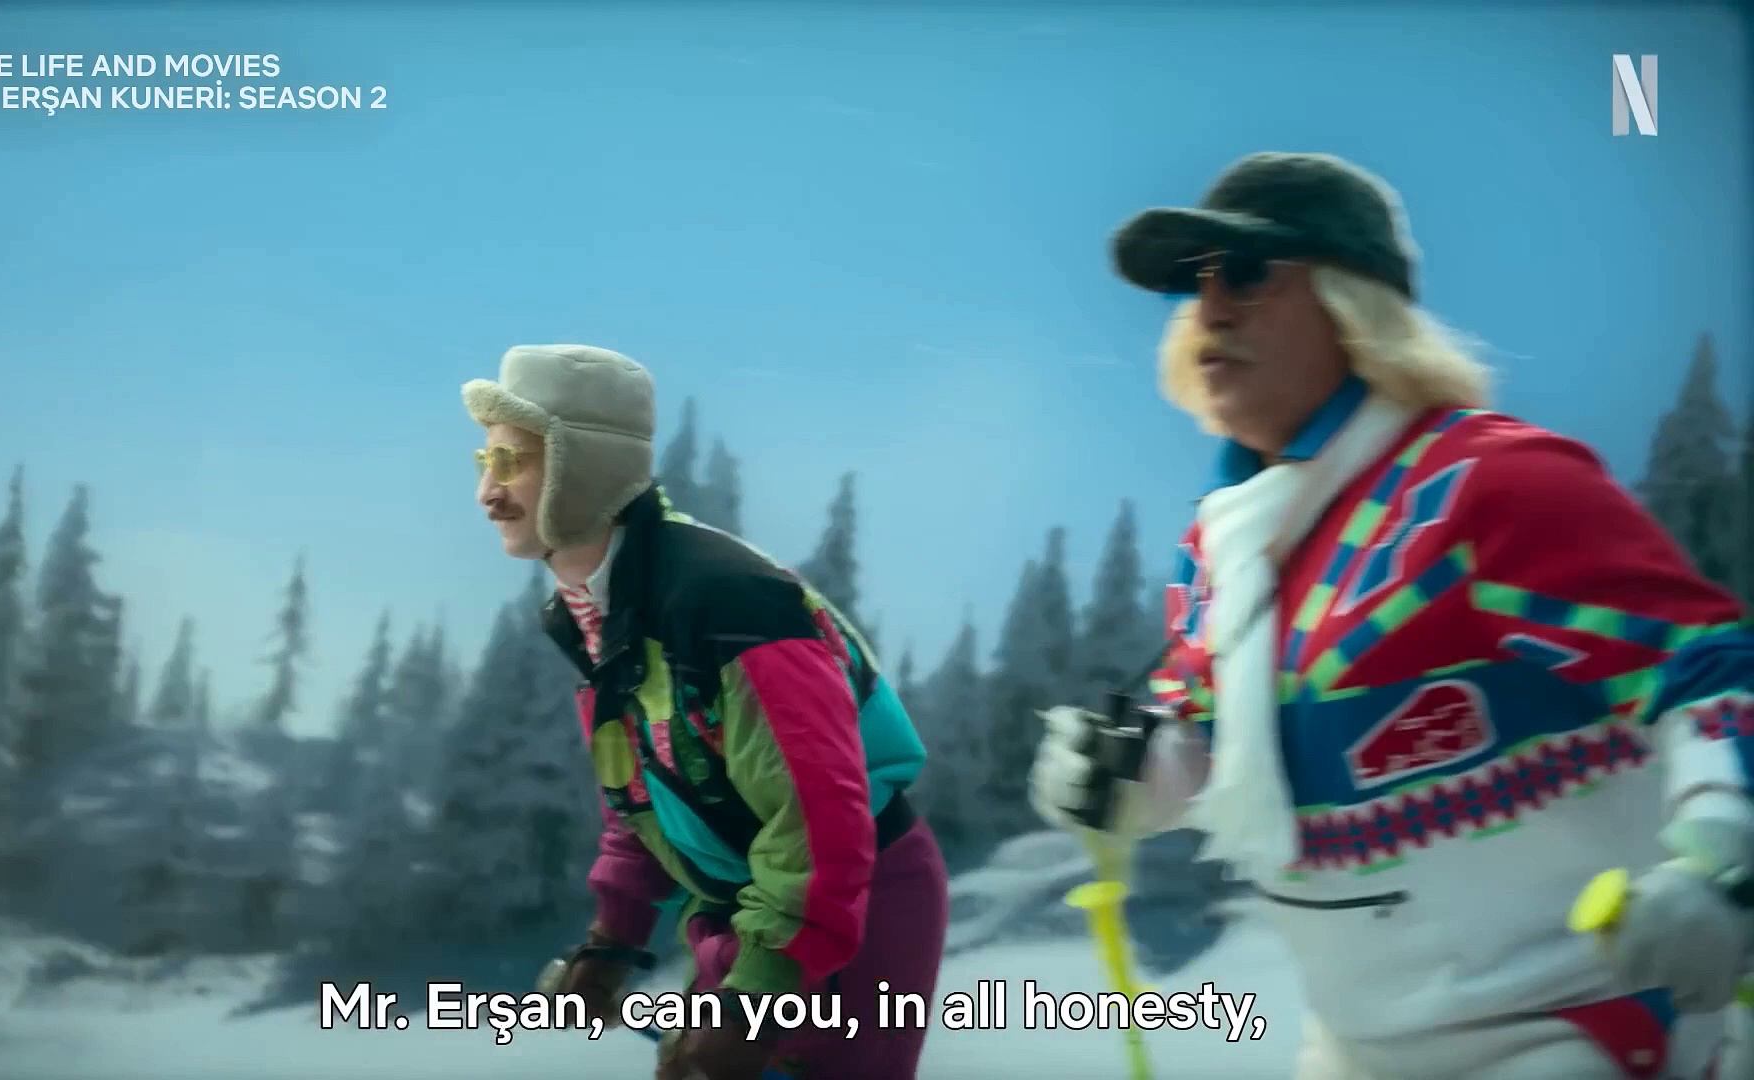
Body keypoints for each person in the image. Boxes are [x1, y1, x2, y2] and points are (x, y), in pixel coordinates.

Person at [1028, 151, 1754, 1079]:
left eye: (1245, 273)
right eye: (1193, 281)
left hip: (1582, 1025)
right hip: (1358, 1047)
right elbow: (1203, 733)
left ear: (1353, 302)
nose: (1210, 308)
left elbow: (1709, 669)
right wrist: (1127, 776)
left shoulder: (1493, 483)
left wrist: (1719, 860)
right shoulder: (1221, 546)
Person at [461, 344, 950, 1080]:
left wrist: (757, 999)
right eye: (483, 461)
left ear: (581, 463)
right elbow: (648, 796)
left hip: (850, 910)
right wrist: (615, 937)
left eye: (510, 463)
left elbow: (818, 818)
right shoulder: (602, 611)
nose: (486, 493)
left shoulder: (727, 604)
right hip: (754, 911)